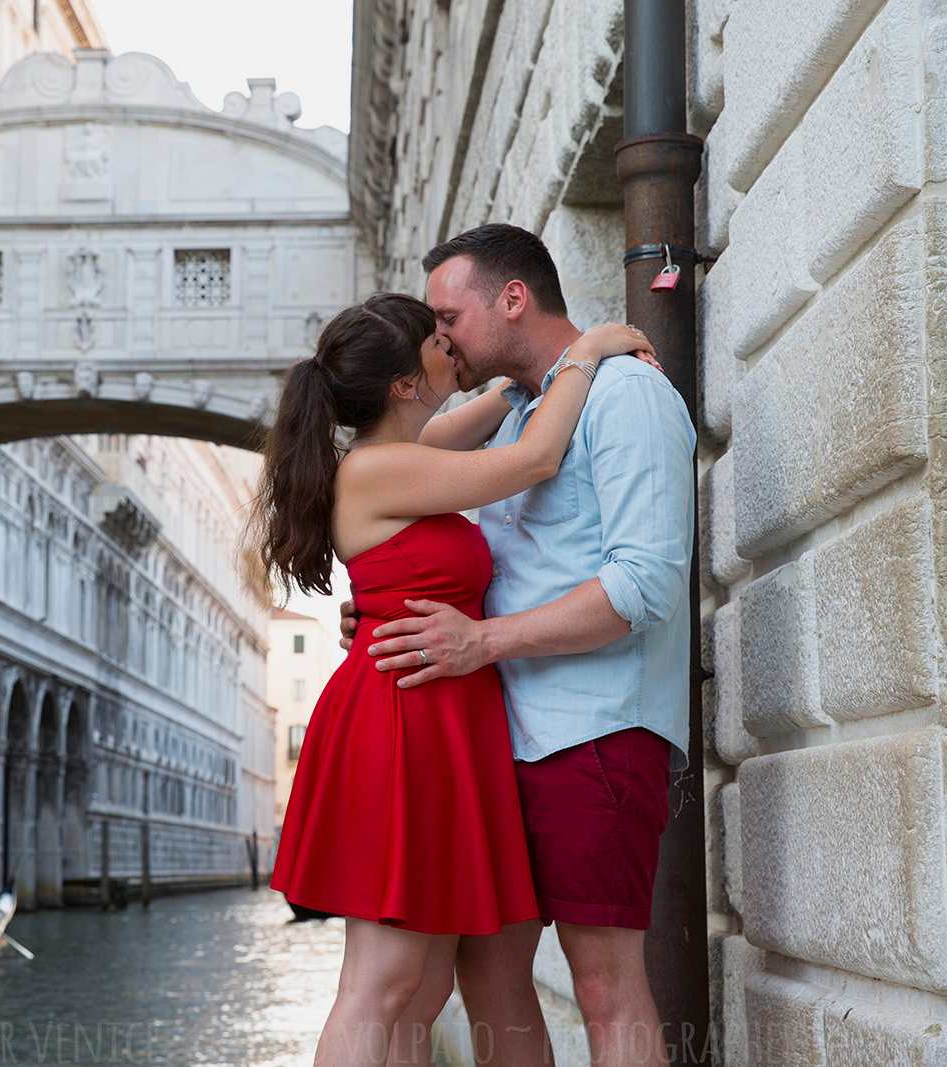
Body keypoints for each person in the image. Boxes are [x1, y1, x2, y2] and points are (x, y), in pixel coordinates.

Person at [251, 290, 654, 1067]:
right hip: (403, 719)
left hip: (436, 716)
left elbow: (502, 404)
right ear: (406, 380)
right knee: (387, 978)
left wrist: (528, 371)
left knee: (426, 981)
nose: (453, 348)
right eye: (439, 341)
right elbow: (533, 458)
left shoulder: (413, 446)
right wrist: (588, 350)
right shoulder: (381, 467)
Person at [343, 223, 696, 1067]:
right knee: (489, 975)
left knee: (605, 982)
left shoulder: (626, 396)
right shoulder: (517, 416)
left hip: (597, 731)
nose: (441, 339)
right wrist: (386, 609)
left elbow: (643, 584)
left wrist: (481, 640)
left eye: (447, 316)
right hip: (503, 738)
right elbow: (409, 478)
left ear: (511, 299)